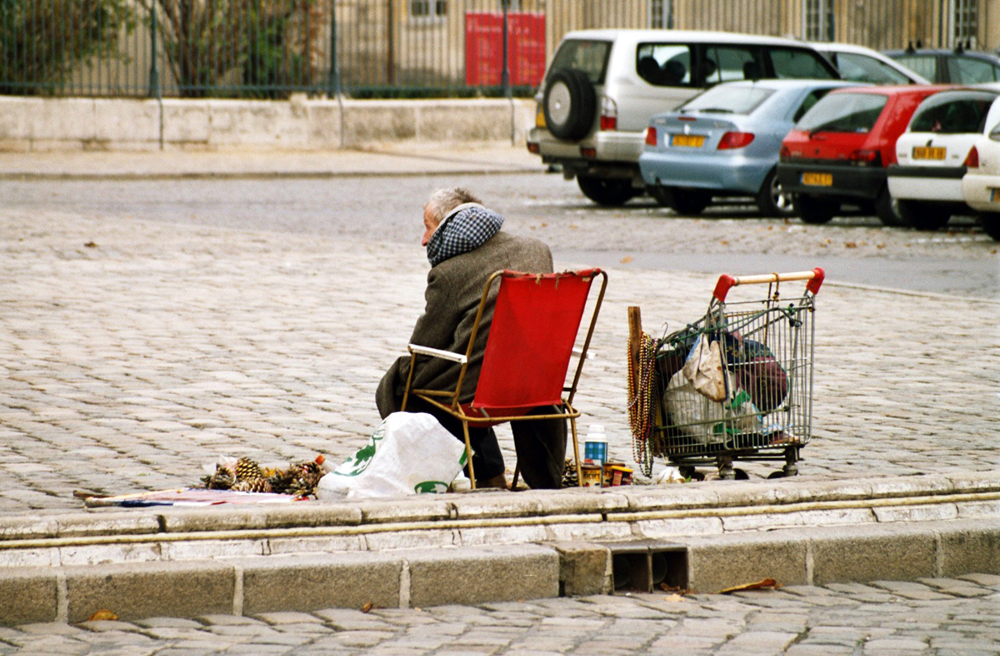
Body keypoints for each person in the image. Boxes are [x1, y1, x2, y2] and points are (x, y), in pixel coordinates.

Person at [376, 187, 567, 490]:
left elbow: (426, 346)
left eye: (428, 227)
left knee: (402, 380)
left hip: (482, 387)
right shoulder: (537, 250)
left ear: (448, 226)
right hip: (538, 380)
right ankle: (517, 475)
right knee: (474, 368)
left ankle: (453, 473)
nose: (424, 239)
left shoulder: (450, 272)